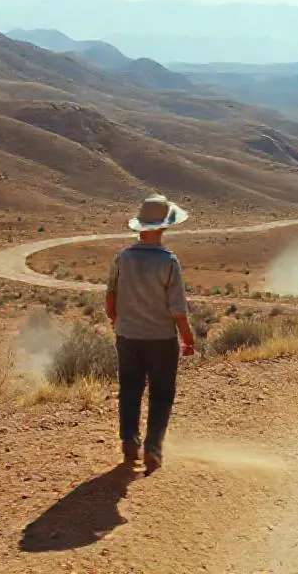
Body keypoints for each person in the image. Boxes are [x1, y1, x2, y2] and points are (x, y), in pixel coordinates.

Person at [106, 193, 196, 475]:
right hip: (161, 339)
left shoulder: (122, 258)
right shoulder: (169, 262)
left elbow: (111, 298)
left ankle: (128, 440)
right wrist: (188, 339)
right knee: (162, 393)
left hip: (128, 337)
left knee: (130, 389)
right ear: (164, 226)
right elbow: (178, 309)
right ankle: (153, 448)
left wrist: (117, 323)